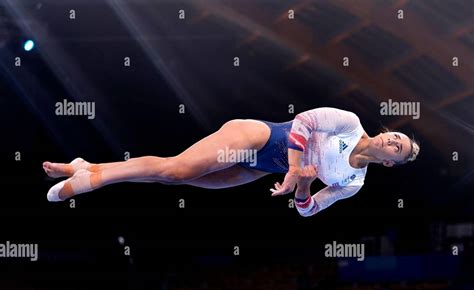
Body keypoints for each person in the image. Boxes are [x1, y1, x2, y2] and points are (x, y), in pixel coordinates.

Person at [43, 107, 420, 216]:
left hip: (258, 168)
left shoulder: (353, 183)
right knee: (177, 168)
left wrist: (303, 186)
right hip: (259, 136)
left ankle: (87, 166)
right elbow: (304, 121)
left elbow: (308, 210)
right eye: (397, 135)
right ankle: (94, 178)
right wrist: (293, 168)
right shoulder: (350, 123)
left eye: (398, 149)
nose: (393, 140)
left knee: (173, 179)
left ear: (390, 163)